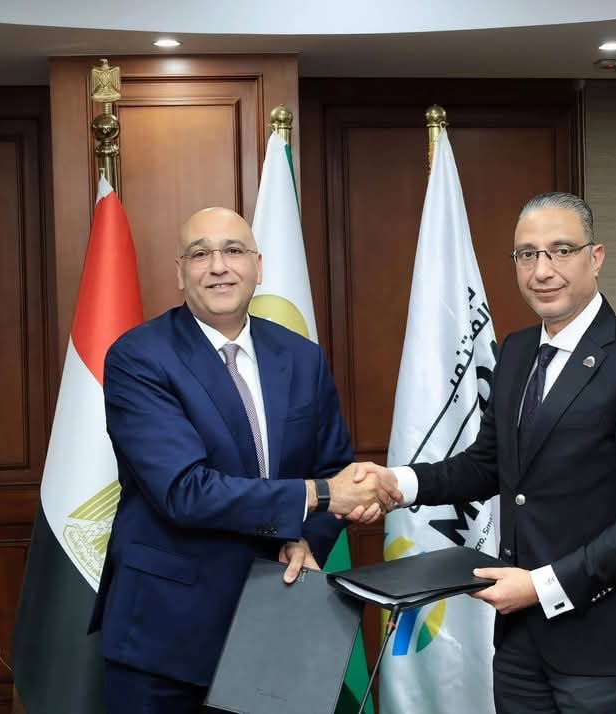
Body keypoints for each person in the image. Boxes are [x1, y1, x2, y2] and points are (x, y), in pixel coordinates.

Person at [356, 192, 616, 713]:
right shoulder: (514, 353)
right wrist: (398, 483)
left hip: (606, 647)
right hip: (519, 644)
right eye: (527, 254)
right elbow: (487, 464)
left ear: (596, 257)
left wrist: (541, 587)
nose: (542, 270)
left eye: (561, 250)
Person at [89, 207, 396, 714]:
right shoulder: (138, 357)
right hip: (165, 636)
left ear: (258, 266)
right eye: (200, 254)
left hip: (273, 622)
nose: (218, 266)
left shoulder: (302, 357)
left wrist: (304, 539)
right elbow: (184, 491)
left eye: (233, 251)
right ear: (179, 272)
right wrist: (318, 496)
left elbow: (334, 468)